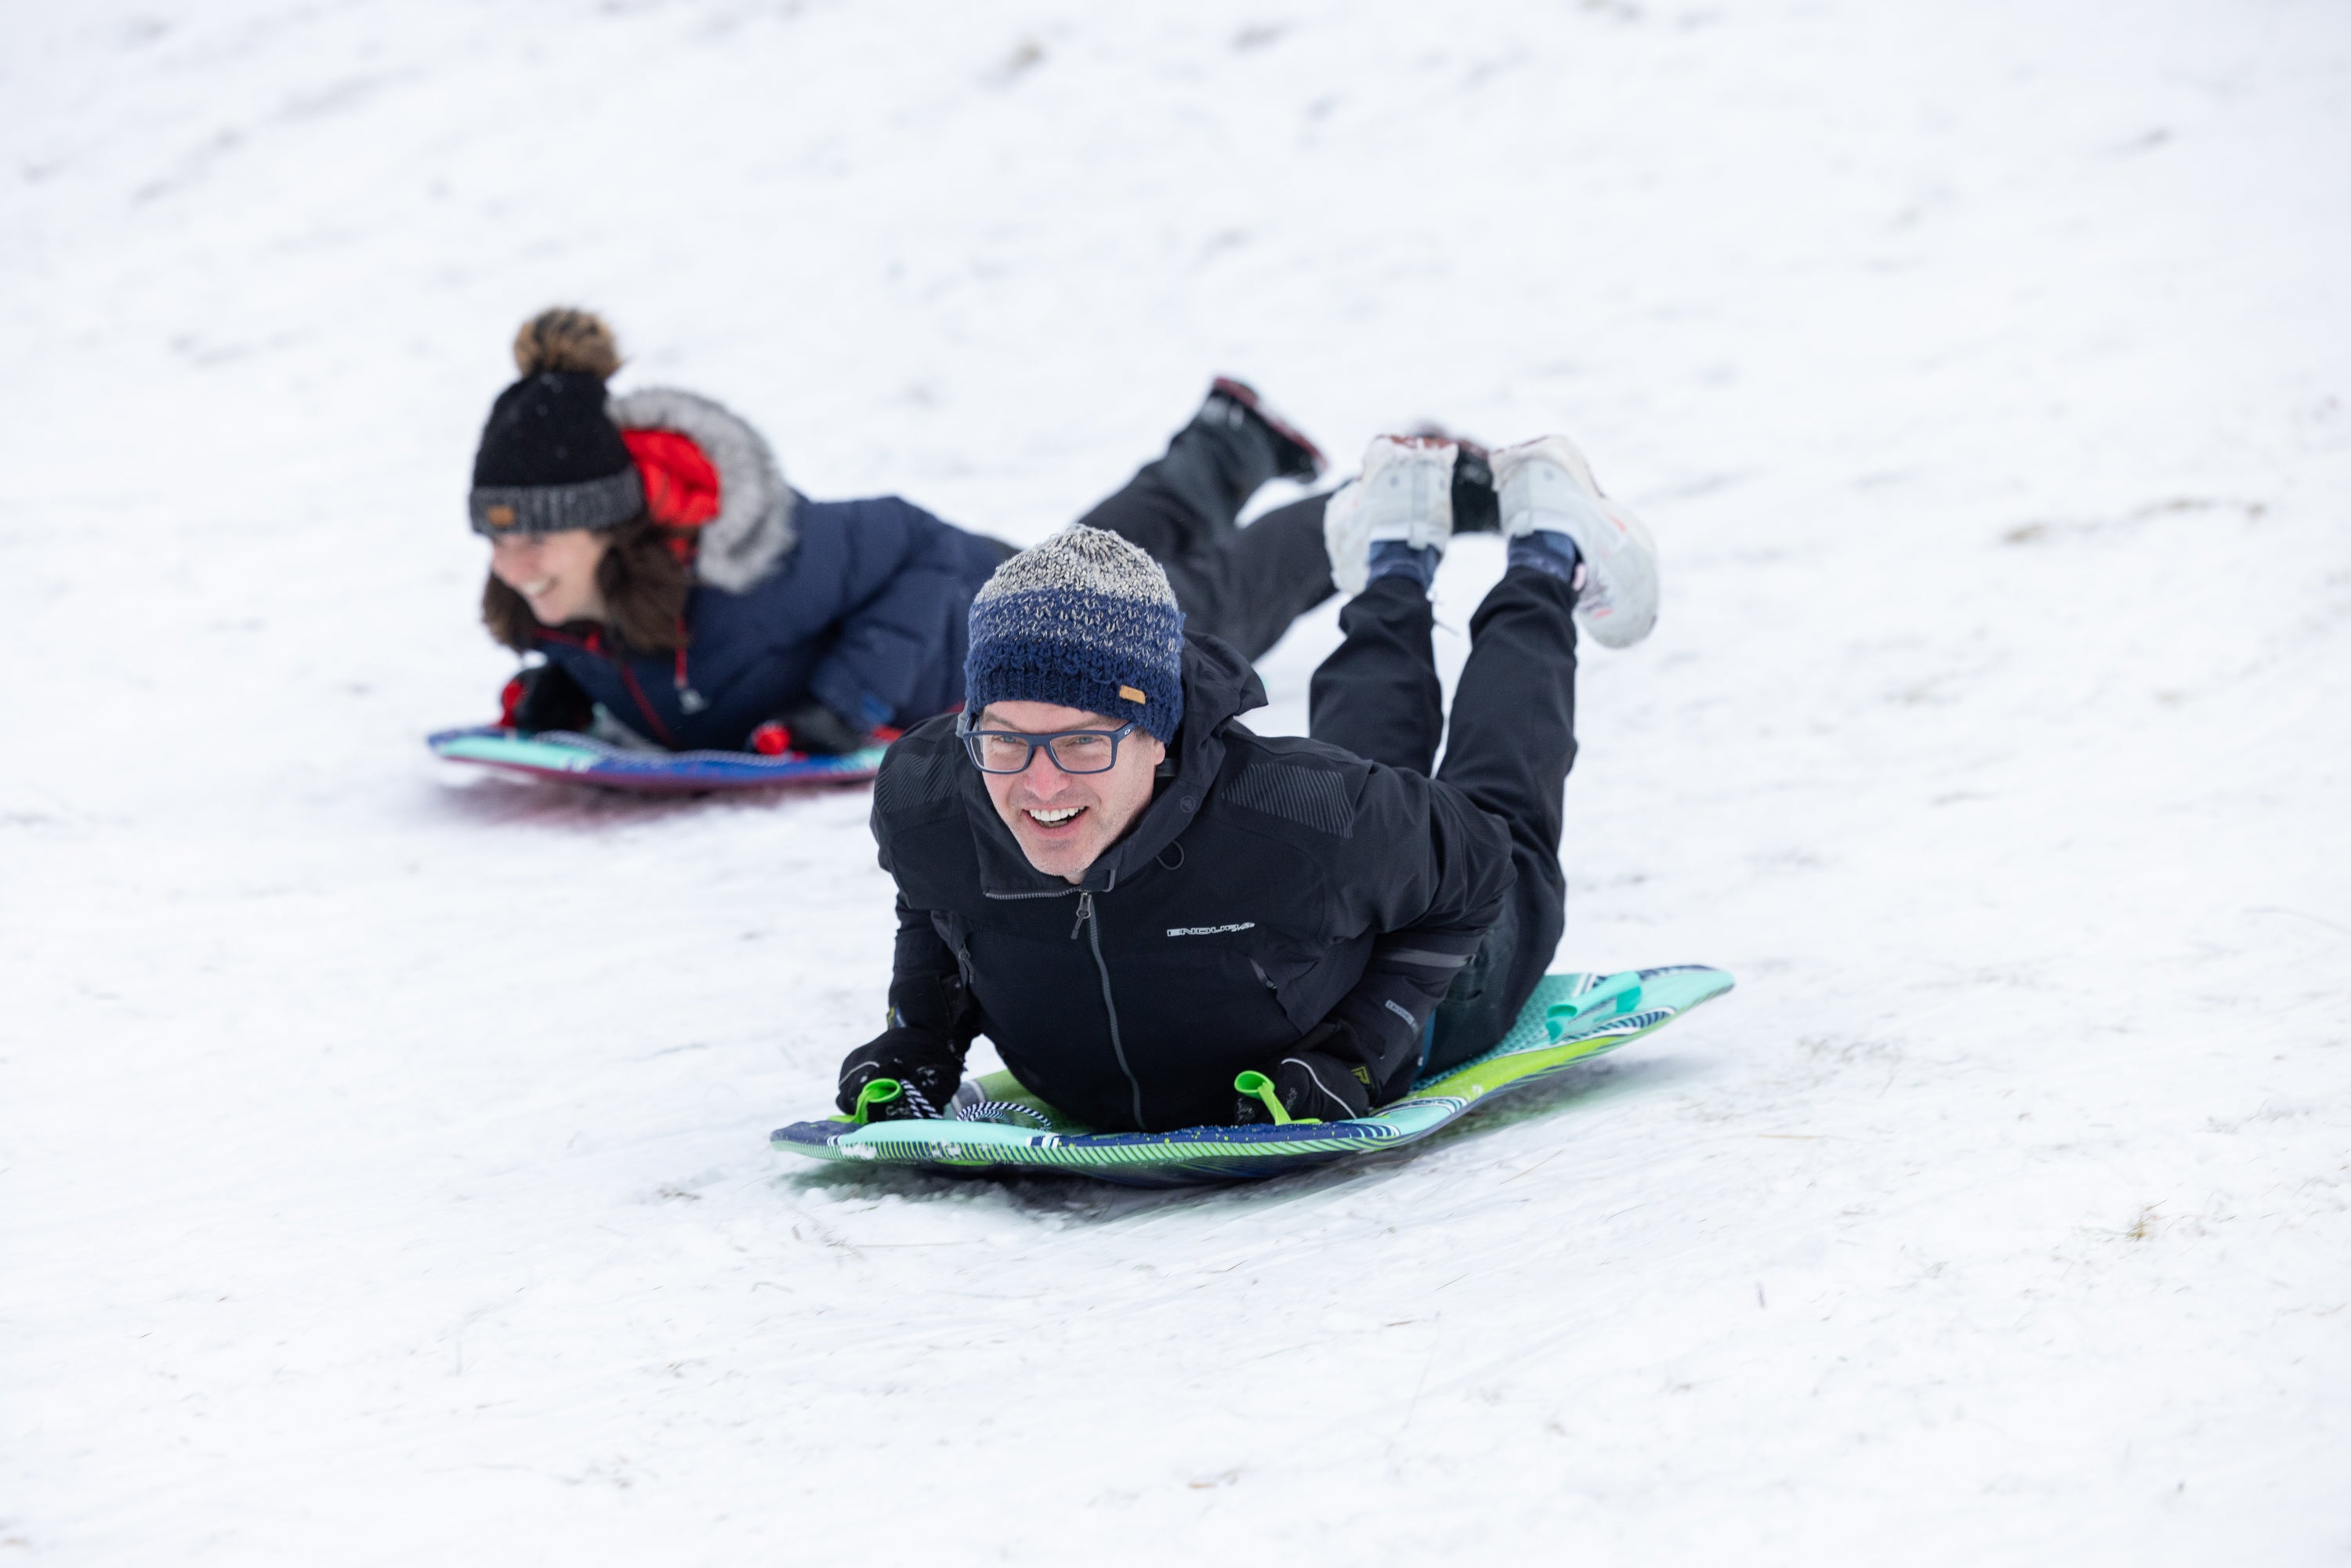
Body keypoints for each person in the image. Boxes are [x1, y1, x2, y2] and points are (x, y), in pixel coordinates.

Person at [839, 427, 1661, 1131]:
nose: (1041, 786)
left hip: (1454, 970)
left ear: (1156, 734)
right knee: (1364, 813)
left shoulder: (1287, 814)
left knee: (1492, 808)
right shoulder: (932, 794)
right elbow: (937, 898)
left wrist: (1361, 1049)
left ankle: (1547, 552)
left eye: (1084, 744)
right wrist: (921, 1038)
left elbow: (1475, 865)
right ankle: (1396, 555)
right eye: (1008, 742)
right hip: (1340, 867)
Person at [466, 307, 1344, 755]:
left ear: (613, 532)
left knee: (1197, 620)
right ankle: (1229, 443)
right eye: (497, 540)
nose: (515, 565)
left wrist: (851, 706)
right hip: (997, 606)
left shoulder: (749, 568)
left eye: (538, 539)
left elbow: (912, 545)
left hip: (1004, 626)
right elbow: (658, 669)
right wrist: (570, 692)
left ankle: (1376, 511)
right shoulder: (566, 605)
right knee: (1110, 560)